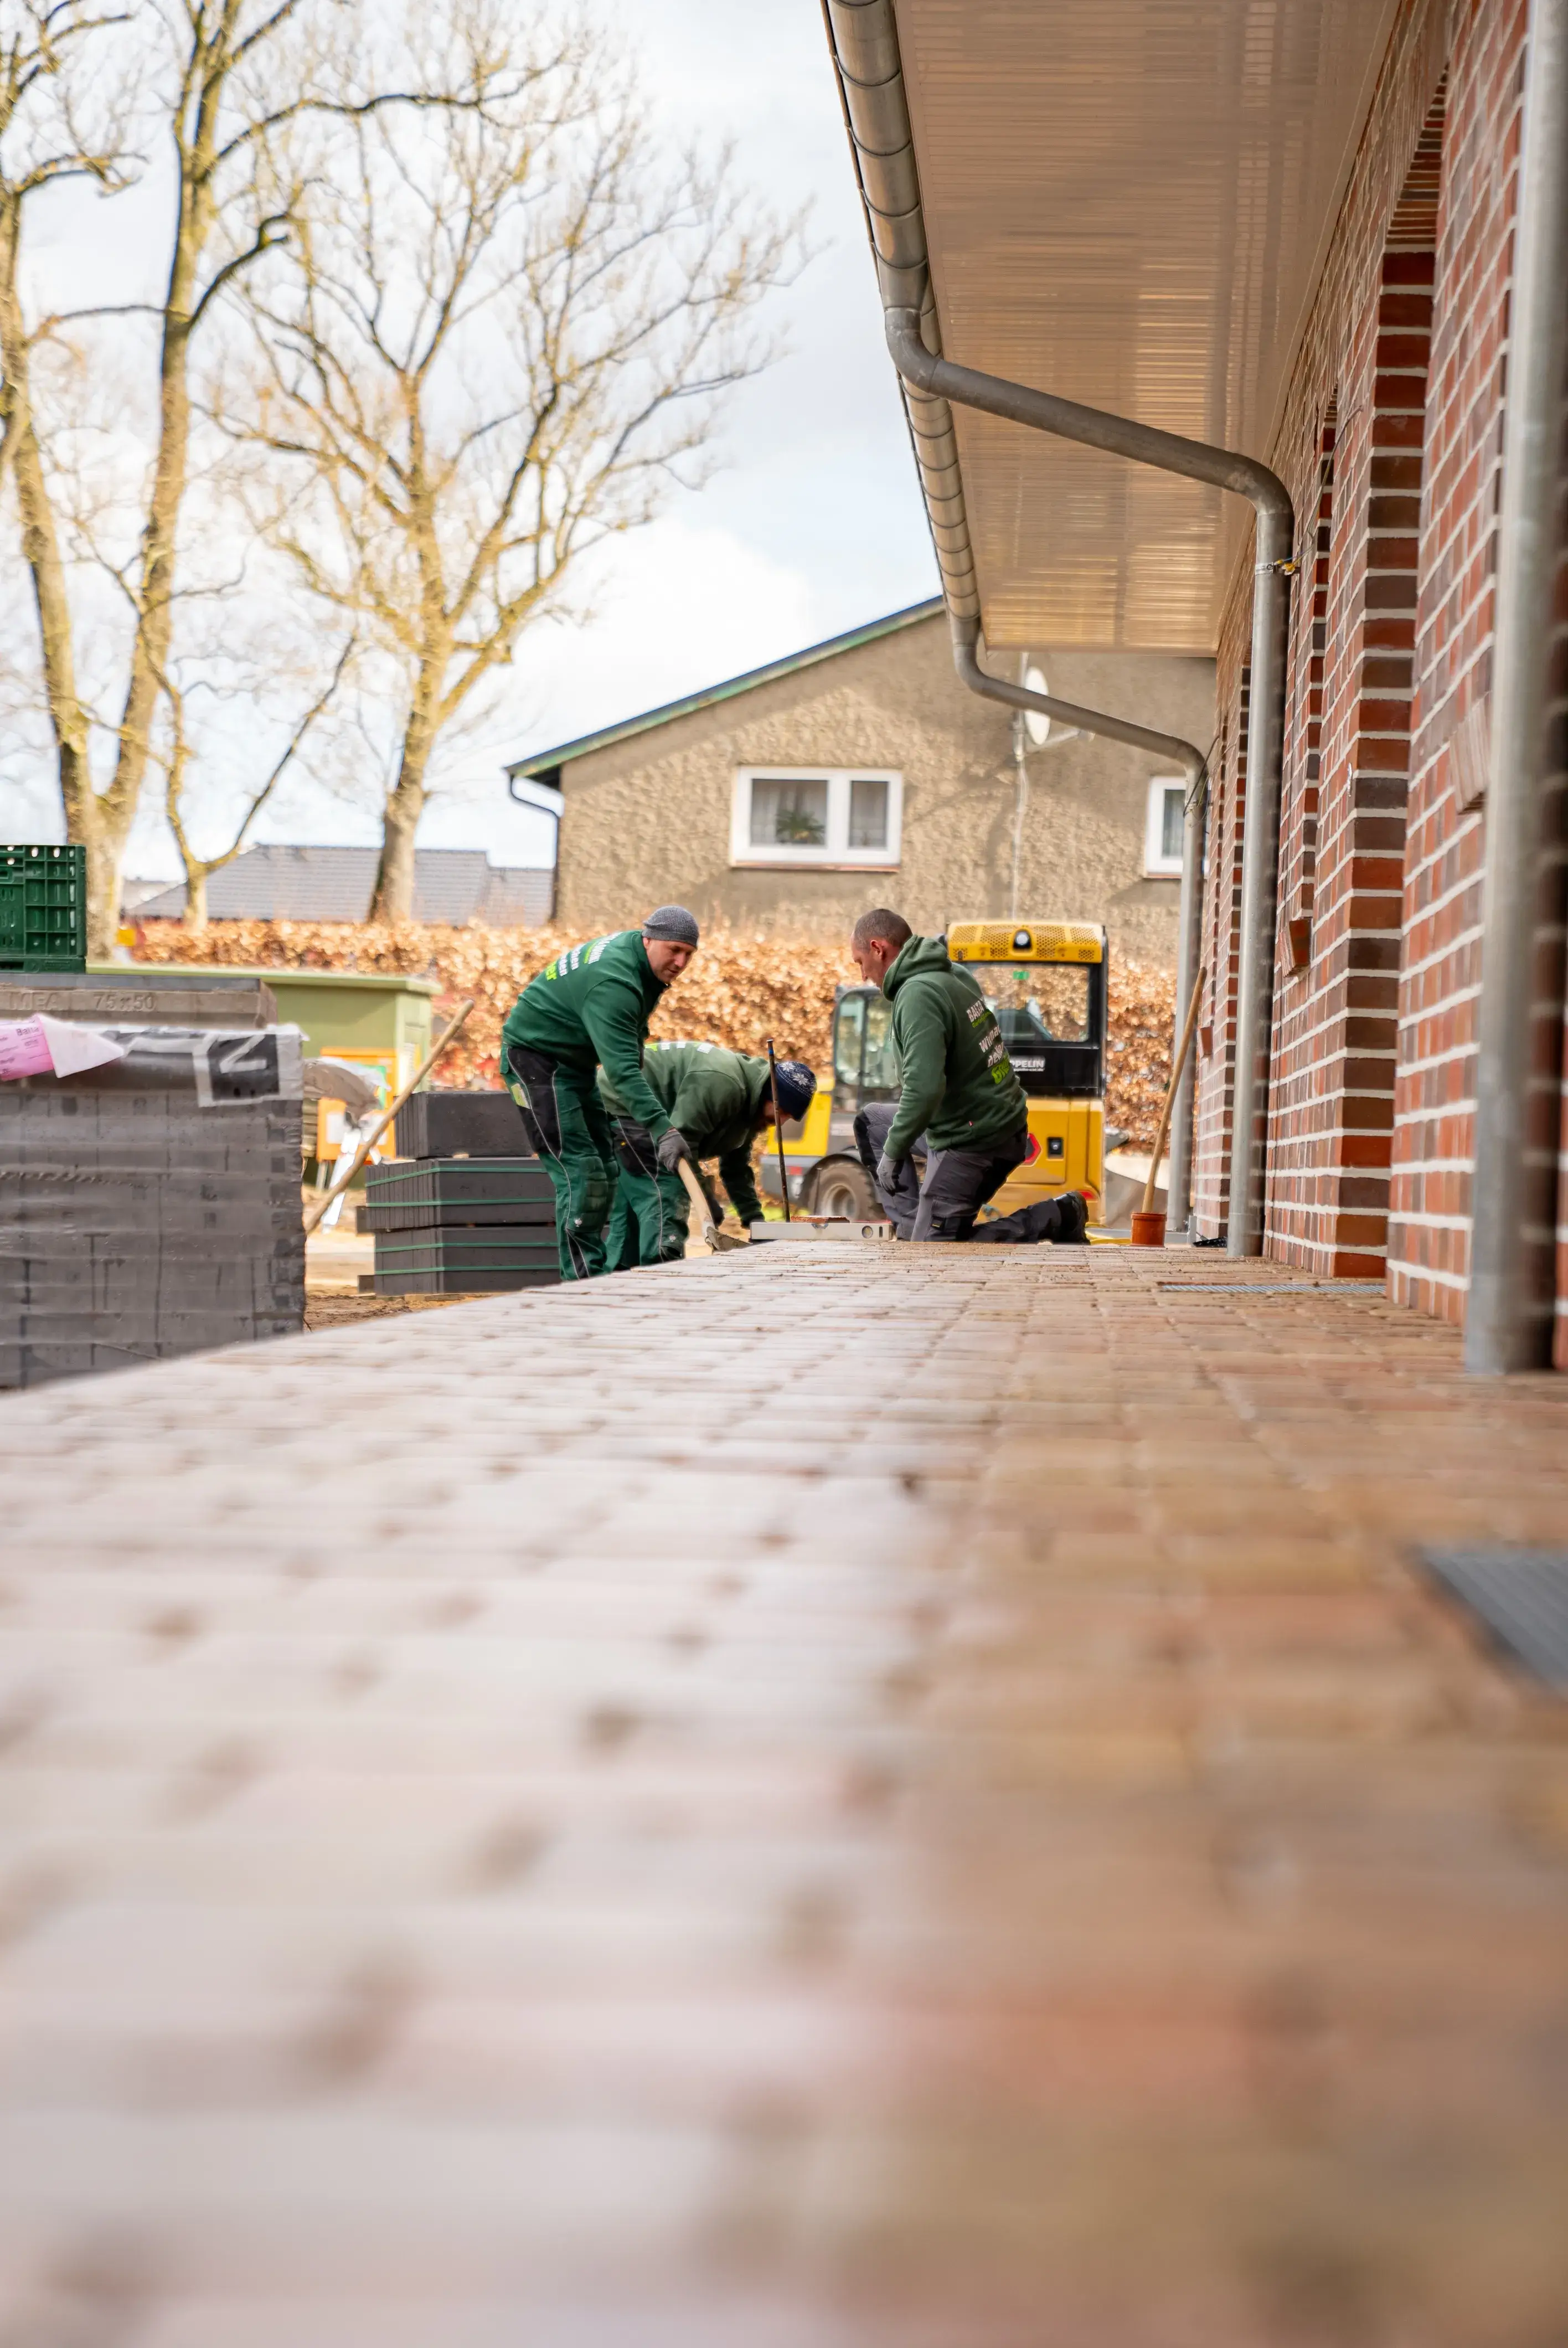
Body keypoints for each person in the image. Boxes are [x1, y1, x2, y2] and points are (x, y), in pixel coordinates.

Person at [848, 906, 1089, 1244]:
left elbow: (925, 1090)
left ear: (878, 948)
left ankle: (1057, 1215)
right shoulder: (952, 973)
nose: (862, 975)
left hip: (975, 1140)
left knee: (936, 1252)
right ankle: (912, 1230)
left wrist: (893, 1152)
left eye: (860, 962)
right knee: (871, 1123)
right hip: (983, 1123)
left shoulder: (917, 995)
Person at [501, 907, 700, 1280]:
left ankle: (600, 1275)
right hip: (534, 1061)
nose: (680, 962)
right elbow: (622, 1071)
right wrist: (664, 1129)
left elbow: (630, 1037)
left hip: (572, 1063)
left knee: (608, 1166)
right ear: (649, 939)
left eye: (689, 954)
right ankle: (580, 1285)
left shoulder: (640, 962)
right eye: (674, 949)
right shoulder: (614, 982)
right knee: (581, 1173)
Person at [601, 1041, 817, 1267]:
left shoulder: (751, 1105)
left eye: (788, 1118)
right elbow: (681, 1146)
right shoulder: (724, 1084)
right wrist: (706, 1198)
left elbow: (736, 1168)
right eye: (781, 1112)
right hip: (626, 1096)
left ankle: (618, 1278)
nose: (780, 1122)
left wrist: (755, 1221)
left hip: (635, 1102)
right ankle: (661, 1270)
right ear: (770, 1096)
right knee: (666, 1189)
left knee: (632, 1204)